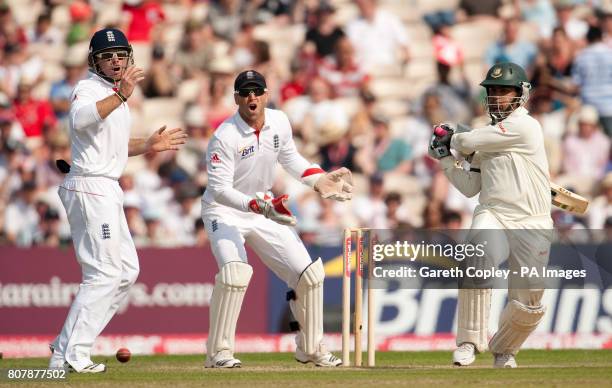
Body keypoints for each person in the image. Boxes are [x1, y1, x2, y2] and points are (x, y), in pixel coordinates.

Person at [48, 28, 187, 373]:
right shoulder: (88, 89)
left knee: (126, 271)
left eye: (120, 55)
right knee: (104, 273)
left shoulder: (112, 95)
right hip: (91, 186)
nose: (114, 60)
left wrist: (148, 146)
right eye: (107, 56)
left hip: (105, 187)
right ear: (94, 61)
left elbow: (113, 146)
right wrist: (123, 96)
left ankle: (64, 348)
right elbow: (81, 121)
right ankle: (72, 355)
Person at [201, 69, 352, 368]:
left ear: (267, 95)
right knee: (235, 274)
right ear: (236, 99)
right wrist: (255, 205)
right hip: (225, 211)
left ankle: (310, 348)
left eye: (257, 91)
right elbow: (219, 191)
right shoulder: (224, 136)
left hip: (263, 208)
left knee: (309, 275)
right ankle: (218, 353)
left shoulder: (279, 121)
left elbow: (291, 158)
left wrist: (318, 180)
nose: (251, 97)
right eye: (245, 92)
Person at [429, 62, 553, 368]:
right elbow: (471, 187)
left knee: (529, 303)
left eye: (503, 90)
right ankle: (469, 342)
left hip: (533, 222)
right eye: (492, 91)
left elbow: (468, 141)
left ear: (521, 94)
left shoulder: (526, 126)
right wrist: (446, 161)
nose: (496, 97)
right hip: (494, 213)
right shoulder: (488, 134)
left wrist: (453, 134)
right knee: (476, 257)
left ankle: (504, 349)